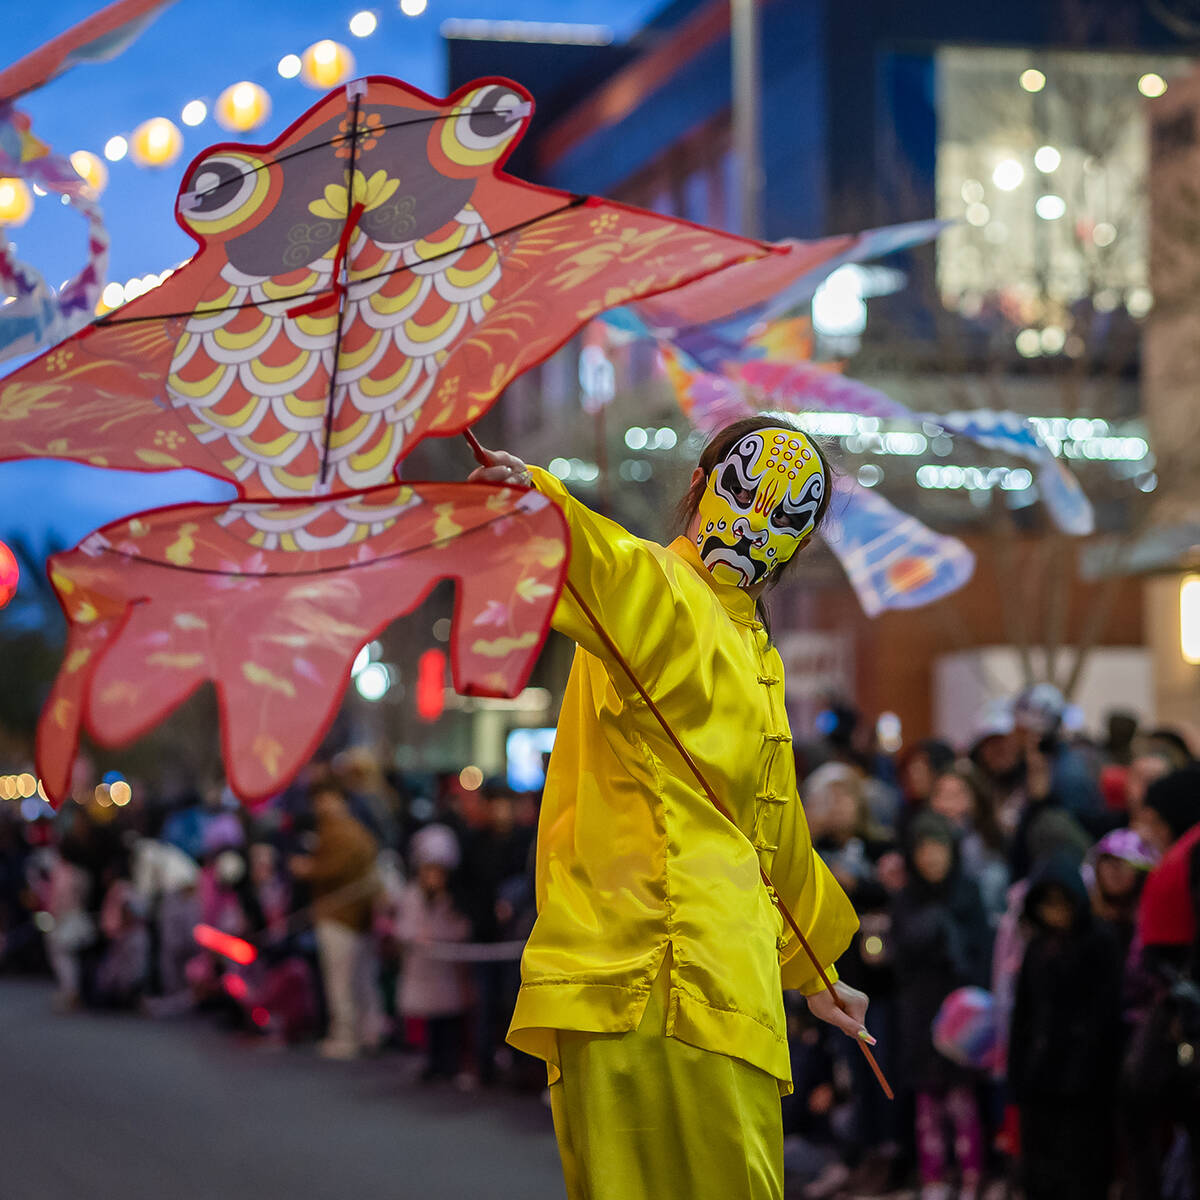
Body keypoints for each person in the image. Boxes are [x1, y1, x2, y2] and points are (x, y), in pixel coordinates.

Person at [471, 418, 866, 1200]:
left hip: (666, 979)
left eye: (789, 515)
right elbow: (605, 563)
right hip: (666, 978)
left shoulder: (751, 646)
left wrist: (818, 967)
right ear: (702, 486)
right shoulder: (668, 591)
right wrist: (535, 499)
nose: (758, 523)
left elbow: (769, 831)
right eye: (747, 492)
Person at [1008, 856, 1124, 1200]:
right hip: (1040, 1079)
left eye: (1062, 903)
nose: (1055, 912)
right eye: (1048, 904)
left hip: (1086, 1086)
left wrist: (1085, 1068)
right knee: (1042, 1173)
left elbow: (1105, 1014)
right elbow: (1023, 1013)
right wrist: (1019, 1072)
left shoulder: (1100, 942)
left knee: (1082, 1171)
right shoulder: (1037, 947)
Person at [891, 812, 991, 1200]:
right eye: (924, 850)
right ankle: (933, 1178)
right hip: (919, 1009)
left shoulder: (968, 893)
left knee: (963, 1096)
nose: (932, 858)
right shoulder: (906, 899)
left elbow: (981, 952)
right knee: (928, 1098)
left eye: (939, 849)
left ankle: (971, 1175)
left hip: (963, 1010)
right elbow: (899, 959)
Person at [290, 781, 382, 1060]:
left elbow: (331, 868)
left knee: (341, 982)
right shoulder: (354, 829)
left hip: (339, 915)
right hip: (356, 915)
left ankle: (346, 1035)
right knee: (361, 980)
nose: (322, 805)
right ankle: (369, 1032)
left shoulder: (342, 832)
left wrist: (307, 869)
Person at [396, 823, 471, 1082]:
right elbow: (403, 925)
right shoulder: (411, 895)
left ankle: (449, 1062)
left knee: (448, 1020)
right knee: (430, 1020)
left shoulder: (452, 899)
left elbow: (461, 929)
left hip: (445, 970)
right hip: (423, 968)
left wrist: (440, 938)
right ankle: (433, 1061)